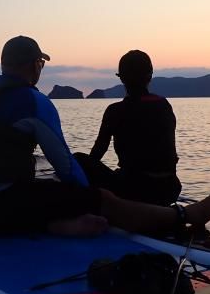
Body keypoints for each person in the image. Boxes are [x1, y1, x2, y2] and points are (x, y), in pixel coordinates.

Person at [0, 35, 210, 237]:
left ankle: (59, 225)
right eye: (41, 64)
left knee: (73, 173)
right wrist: (91, 199)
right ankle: (188, 215)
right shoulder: (32, 101)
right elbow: (65, 167)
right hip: (0, 210)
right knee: (101, 197)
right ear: (35, 64)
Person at [74, 50, 181, 206]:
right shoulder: (164, 105)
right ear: (150, 75)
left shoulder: (115, 111)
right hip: (169, 189)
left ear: (122, 78)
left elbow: (96, 154)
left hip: (132, 190)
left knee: (78, 159)